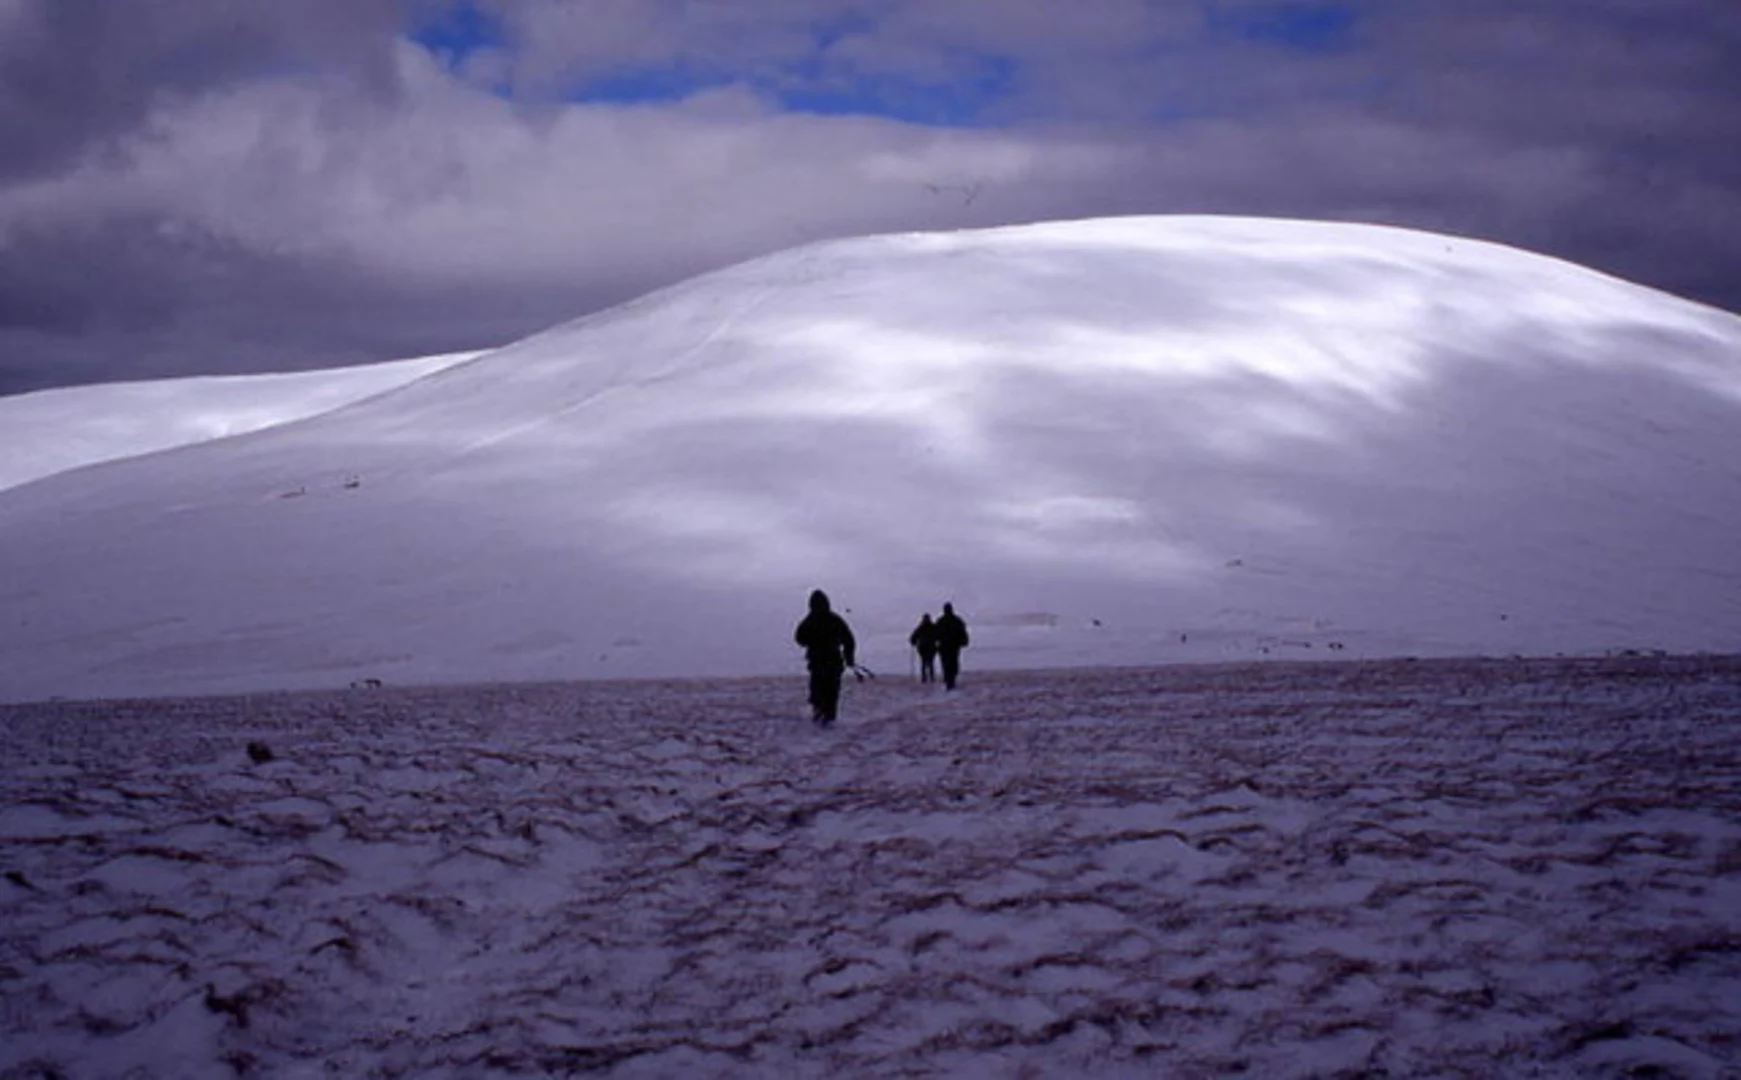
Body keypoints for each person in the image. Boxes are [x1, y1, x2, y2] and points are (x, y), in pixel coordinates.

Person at [794, 589, 856, 725]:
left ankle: (823, 721)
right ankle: (825, 721)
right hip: (826, 663)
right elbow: (849, 640)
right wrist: (849, 658)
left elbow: (799, 638)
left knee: (824, 694)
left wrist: (849, 657)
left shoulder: (812, 620)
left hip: (826, 663)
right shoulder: (832, 619)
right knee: (826, 694)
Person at [935, 602, 969, 690]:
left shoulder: (941, 621)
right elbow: (963, 631)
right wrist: (964, 641)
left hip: (947, 646)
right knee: (952, 663)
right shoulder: (956, 620)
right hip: (952, 646)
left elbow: (935, 634)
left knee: (947, 664)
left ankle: (949, 679)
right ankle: (950, 679)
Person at [909, 613, 939, 683]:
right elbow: (938, 636)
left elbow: (913, 637)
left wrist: (913, 642)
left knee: (924, 662)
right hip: (931, 647)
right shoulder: (933, 627)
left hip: (923, 647)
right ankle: (931, 677)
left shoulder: (921, 628)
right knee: (930, 662)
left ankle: (924, 677)